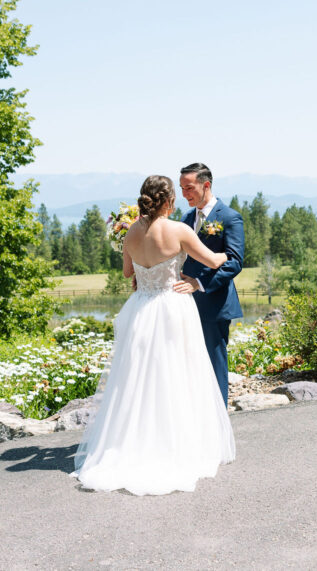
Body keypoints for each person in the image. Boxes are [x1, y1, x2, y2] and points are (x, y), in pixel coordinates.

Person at [71, 175, 236, 496]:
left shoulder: (131, 231)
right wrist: (225, 256)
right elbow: (212, 259)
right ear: (170, 201)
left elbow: (128, 272)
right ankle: (176, 444)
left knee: (137, 379)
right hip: (172, 308)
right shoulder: (179, 230)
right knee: (176, 374)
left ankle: (133, 442)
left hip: (139, 310)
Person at [176, 163, 245, 406]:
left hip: (214, 303)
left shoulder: (229, 217)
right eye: (182, 188)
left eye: (189, 188)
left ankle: (218, 418)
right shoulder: (185, 218)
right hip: (185, 304)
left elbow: (234, 262)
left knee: (214, 363)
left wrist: (200, 284)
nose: (185, 194)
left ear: (206, 185)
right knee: (191, 363)